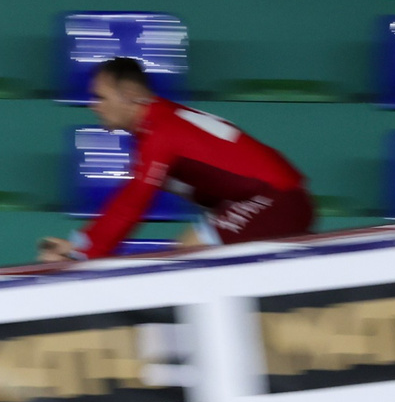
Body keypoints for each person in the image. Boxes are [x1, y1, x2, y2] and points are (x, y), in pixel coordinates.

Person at [37, 56, 314, 266]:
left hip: (277, 200)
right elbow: (126, 202)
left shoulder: (160, 132)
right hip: (277, 199)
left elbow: (132, 204)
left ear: (132, 96)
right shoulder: (156, 125)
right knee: (189, 255)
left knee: (188, 253)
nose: (92, 105)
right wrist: (79, 245)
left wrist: (82, 256)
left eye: (100, 97)